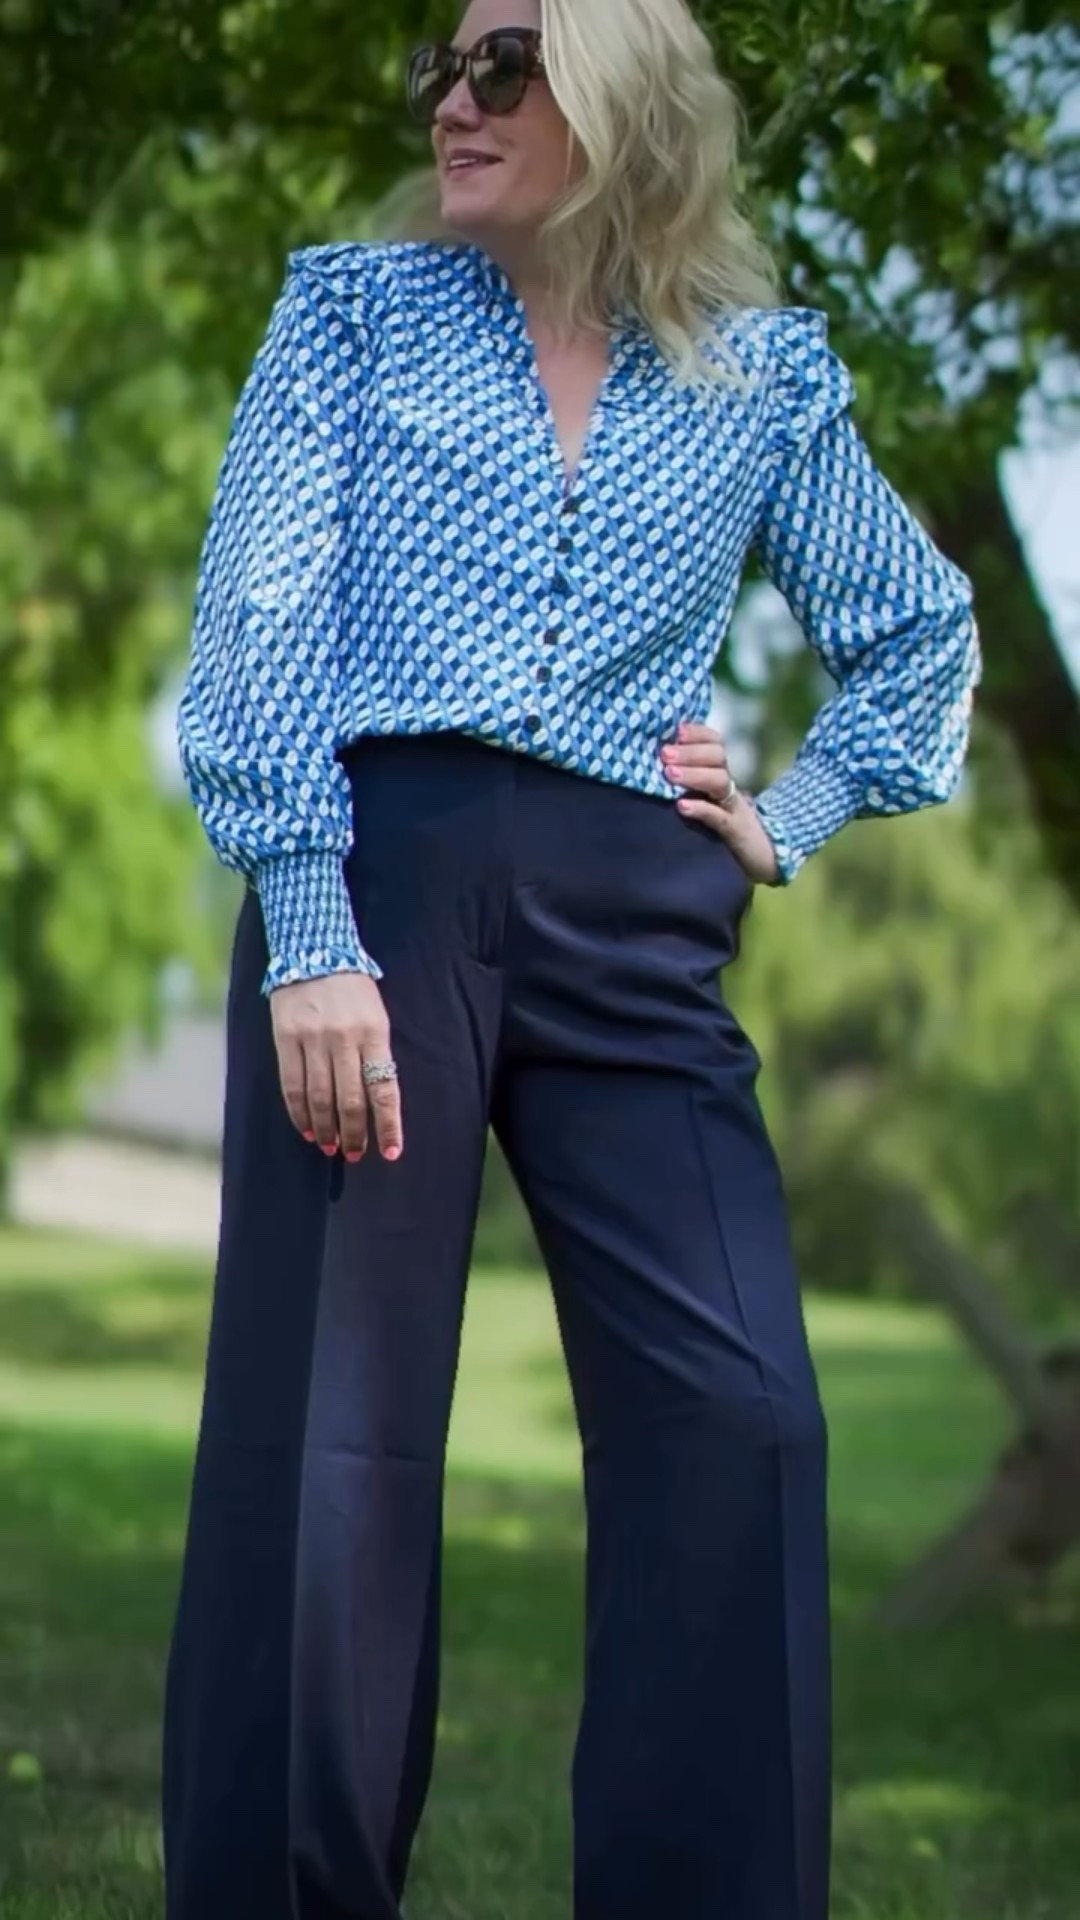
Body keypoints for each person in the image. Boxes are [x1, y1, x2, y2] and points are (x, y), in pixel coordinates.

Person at [161, 2, 982, 1916]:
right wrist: (308, 923)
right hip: (377, 887)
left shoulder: (762, 375)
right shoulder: (351, 314)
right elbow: (259, 625)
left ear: (621, 98)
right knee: (328, 1444)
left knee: (742, 1414)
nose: (453, 102)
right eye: (444, 69)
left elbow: (919, 632)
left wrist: (795, 807)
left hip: (639, 912)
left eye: (504, 65)